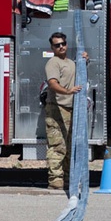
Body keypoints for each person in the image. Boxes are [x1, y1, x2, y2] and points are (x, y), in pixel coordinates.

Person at [43, 32, 85, 191]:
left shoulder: (71, 63)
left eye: (63, 44)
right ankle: (55, 181)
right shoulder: (53, 63)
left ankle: (67, 179)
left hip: (70, 109)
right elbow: (53, 83)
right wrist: (68, 92)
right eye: (57, 45)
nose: (61, 47)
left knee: (69, 147)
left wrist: (84, 60)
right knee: (57, 146)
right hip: (57, 109)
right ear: (52, 47)